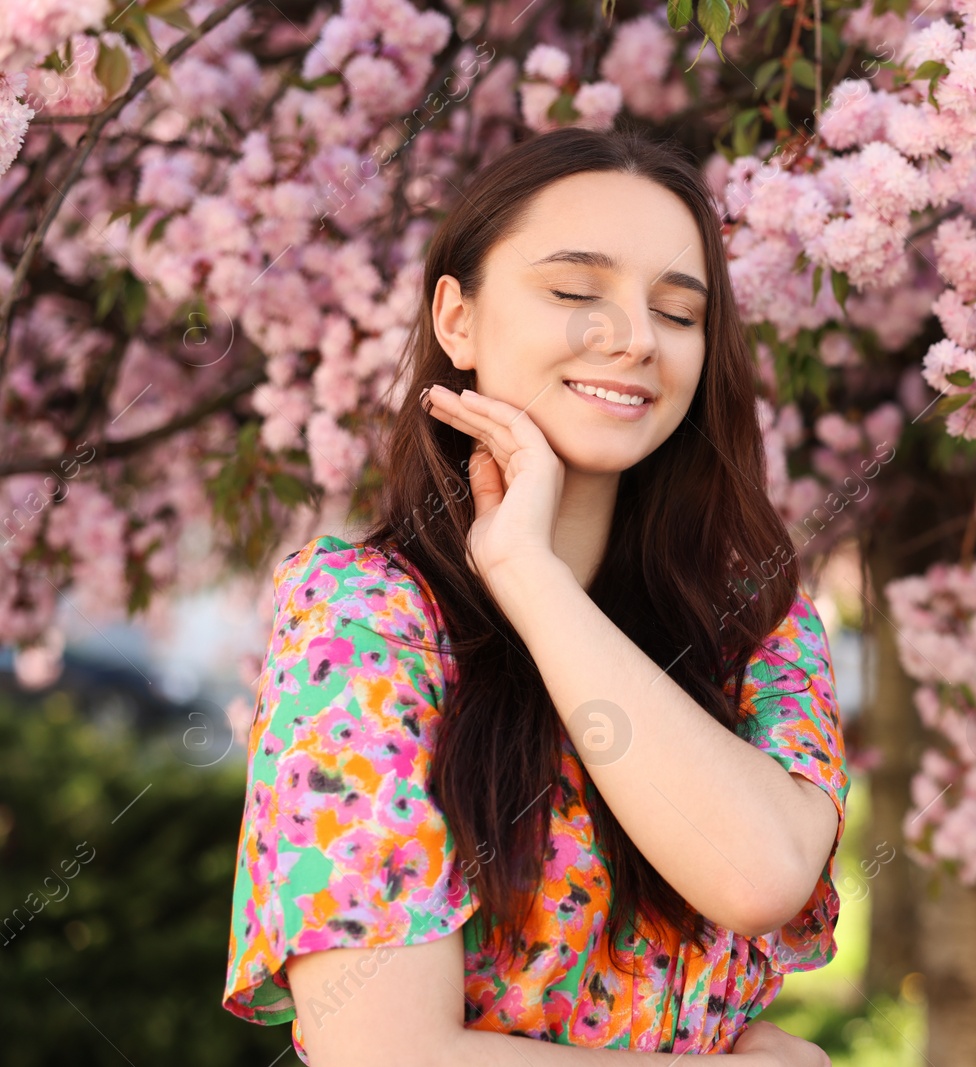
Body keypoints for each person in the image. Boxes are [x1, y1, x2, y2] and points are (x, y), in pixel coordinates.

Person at [221, 126, 848, 1067]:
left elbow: (758, 874)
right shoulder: (364, 620)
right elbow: (387, 1050)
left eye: (678, 313)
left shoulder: (756, 615)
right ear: (456, 319)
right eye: (574, 291)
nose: (636, 338)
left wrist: (537, 582)